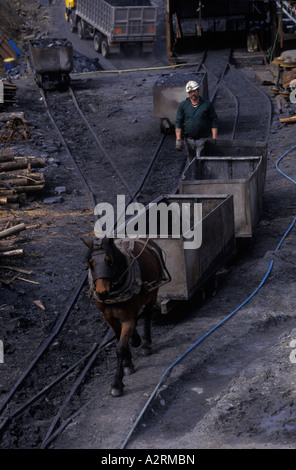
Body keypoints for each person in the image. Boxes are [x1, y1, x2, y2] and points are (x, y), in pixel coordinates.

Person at [175, 80, 218, 162]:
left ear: (198, 90)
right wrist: (178, 139)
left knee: (202, 161)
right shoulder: (183, 105)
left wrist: (214, 138)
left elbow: (214, 121)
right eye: (190, 92)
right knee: (191, 162)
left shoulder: (207, 105)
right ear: (188, 93)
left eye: (194, 91)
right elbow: (178, 122)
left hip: (203, 140)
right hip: (189, 140)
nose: (193, 94)